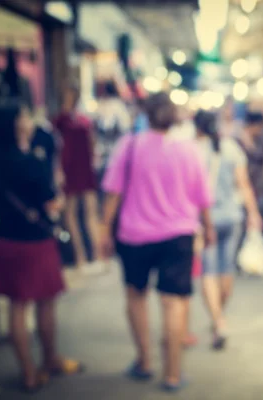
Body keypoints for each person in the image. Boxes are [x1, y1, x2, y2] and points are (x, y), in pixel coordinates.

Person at [99, 92, 215, 392]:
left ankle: (145, 361)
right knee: (173, 302)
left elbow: (113, 192)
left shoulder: (130, 145)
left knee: (136, 296)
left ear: (145, 114)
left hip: (134, 235)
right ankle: (173, 373)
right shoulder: (188, 149)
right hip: (178, 235)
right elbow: (203, 197)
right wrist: (209, 227)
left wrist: (103, 230)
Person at [0, 103, 83, 393]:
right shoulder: (33, 163)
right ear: (17, 124)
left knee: (17, 306)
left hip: (7, 240)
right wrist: (57, 202)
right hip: (36, 242)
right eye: (24, 116)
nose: (29, 121)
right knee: (46, 302)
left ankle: (28, 372)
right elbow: (52, 204)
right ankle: (49, 359)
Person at [194, 110, 262, 349]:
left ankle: (218, 320)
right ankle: (219, 317)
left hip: (205, 220)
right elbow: (243, 184)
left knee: (208, 272)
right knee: (226, 268)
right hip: (232, 217)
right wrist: (253, 213)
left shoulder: (194, 151)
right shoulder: (231, 148)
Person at [53, 86, 101, 272]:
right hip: (69, 169)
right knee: (70, 214)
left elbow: (92, 142)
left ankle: (97, 254)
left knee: (90, 212)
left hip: (84, 167)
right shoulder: (59, 121)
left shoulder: (83, 120)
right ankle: (80, 256)